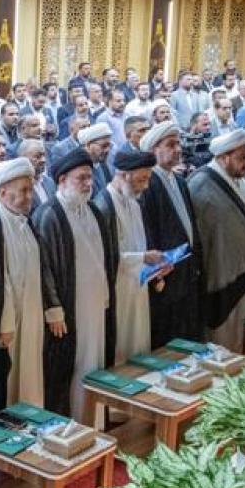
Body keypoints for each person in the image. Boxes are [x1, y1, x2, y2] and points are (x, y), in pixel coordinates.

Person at [0, 157, 58, 411]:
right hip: (9, 324)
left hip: (31, 314)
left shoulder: (24, 217)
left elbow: (40, 265)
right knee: (10, 382)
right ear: (2, 192)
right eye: (23, 191)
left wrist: (51, 307)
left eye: (30, 189)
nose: (30, 196)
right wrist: (5, 324)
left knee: (30, 376)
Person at [33, 151, 113, 415]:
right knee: (71, 368)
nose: (88, 183)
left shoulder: (93, 211)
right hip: (68, 310)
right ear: (62, 180)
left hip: (95, 307)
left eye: (90, 177)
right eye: (81, 178)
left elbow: (104, 258)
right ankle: (73, 423)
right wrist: (53, 307)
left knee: (94, 364)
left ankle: (93, 420)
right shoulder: (49, 215)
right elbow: (44, 268)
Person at [187, 131, 245, 349]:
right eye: (242, 157)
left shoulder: (241, 179)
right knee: (221, 340)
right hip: (220, 280)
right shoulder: (201, 184)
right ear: (223, 157)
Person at [99, 149, 162, 364]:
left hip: (138, 286)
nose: (146, 186)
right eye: (142, 179)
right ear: (124, 175)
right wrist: (143, 258)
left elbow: (139, 245)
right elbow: (105, 256)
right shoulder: (103, 205)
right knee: (121, 348)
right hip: (119, 290)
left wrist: (157, 266)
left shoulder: (134, 202)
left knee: (139, 344)